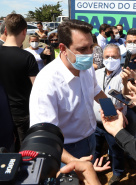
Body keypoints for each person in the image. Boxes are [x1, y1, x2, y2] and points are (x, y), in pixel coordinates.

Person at [29, 19, 108, 164]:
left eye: (91, 47)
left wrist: (111, 110)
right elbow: (46, 137)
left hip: (91, 138)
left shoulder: (86, 67)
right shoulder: (47, 82)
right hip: (65, 151)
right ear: (63, 49)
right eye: (83, 49)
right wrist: (75, 163)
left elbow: (96, 91)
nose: (90, 54)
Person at [0, 14, 39, 152]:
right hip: (22, 112)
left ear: (5, 31)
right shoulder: (27, 57)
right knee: (24, 150)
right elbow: (37, 87)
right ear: (24, 31)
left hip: (2, 111)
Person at [93, 44, 126, 184]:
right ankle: (94, 168)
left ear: (120, 57)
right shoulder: (96, 73)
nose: (110, 59)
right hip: (95, 122)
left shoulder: (124, 76)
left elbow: (127, 98)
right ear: (103, 58)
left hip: (113, 122)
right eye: (107, 57)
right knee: (95, 147)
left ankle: (118, 172)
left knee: (115, 149)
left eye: (114, 56)